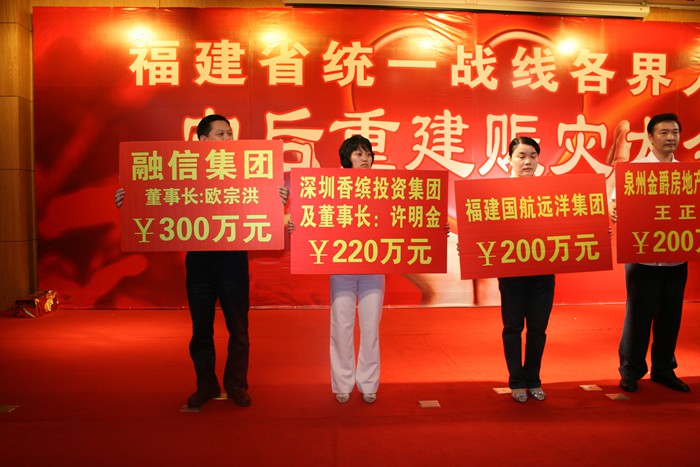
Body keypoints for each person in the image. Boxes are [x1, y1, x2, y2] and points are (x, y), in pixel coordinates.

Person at [115, 114, 290, 409]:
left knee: (239, 330)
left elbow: (262, 202)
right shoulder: (183, 172)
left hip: (233, 262)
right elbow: (156, 198)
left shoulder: (247, 170)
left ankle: (236, 385)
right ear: (202, 140)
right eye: (221, 134)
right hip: (199, 265)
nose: (228, 139)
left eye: (230, 133)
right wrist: (128, 198)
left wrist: (277, 197)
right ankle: (206, 385)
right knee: (201, 331)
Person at [609, 113, 690, 393]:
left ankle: (664, 369)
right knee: (638, 316)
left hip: (676, 259)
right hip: (642, 258)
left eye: (675, 132)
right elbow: (615, 202)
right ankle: (630, 370)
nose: (670, 138)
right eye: (664, 132)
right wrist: (615, 210)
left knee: (671, 317)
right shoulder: (636, 170)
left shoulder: (688, 175)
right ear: (650, 137)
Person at [498, 137, 555, 403]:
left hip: (543, 272)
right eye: (521, 156)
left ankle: (533, 378)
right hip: (511, 272)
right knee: (512, 327)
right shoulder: (495, 192)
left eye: (533, 155)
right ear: (509, 159)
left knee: (538, 328)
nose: (528, 161)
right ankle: (516, 380)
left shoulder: (550, 192)